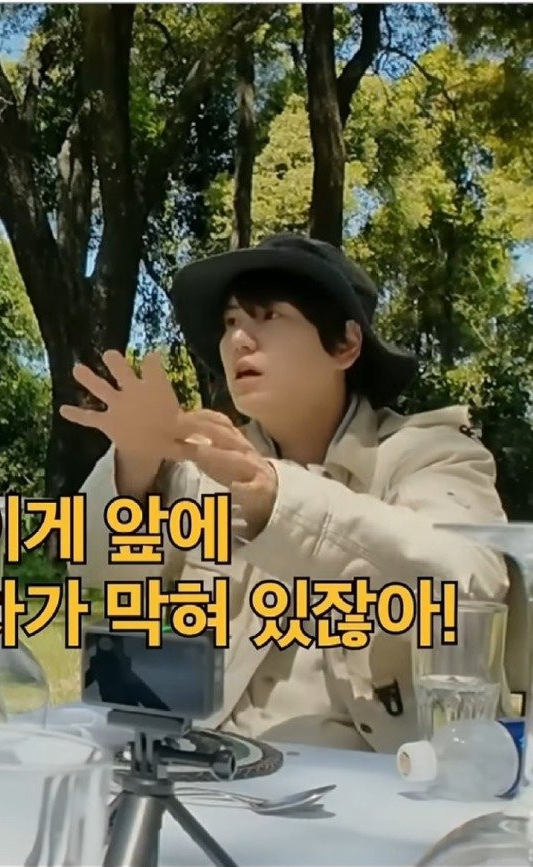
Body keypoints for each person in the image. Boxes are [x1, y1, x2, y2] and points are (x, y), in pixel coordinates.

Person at [59, 232, 514, 753]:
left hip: (387, 779)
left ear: (345, 345)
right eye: (230, 322)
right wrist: (133, 468)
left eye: (269, 316)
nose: (238, 339)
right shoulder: (203, 468)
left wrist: (277, 500)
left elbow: (469, 583)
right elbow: (95, 578)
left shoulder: (431, 453)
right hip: (212, 767)